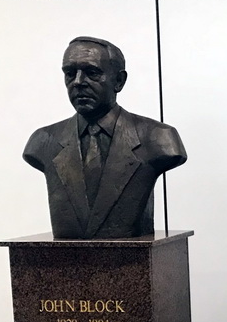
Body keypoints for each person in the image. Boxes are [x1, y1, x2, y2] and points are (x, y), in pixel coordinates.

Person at [23, 37, 186, 239]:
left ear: (119, 81)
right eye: (70, 73)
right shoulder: (43, 142)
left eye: (92, 73)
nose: (78, 82)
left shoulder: (159, 139)